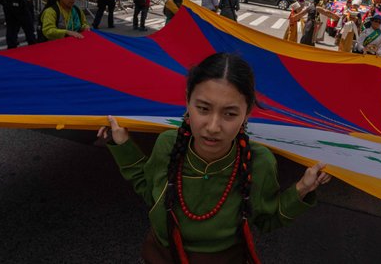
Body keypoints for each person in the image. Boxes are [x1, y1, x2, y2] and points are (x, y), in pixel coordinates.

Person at [98, 52, 332, 262]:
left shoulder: (259, 162)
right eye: (203, 109)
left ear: (247, 112)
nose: (212, 126)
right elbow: (150, 192)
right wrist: (123, 146)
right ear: (188, 100)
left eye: (229, 114)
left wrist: (301, 190)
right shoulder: (168, 144)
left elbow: (267, 221)